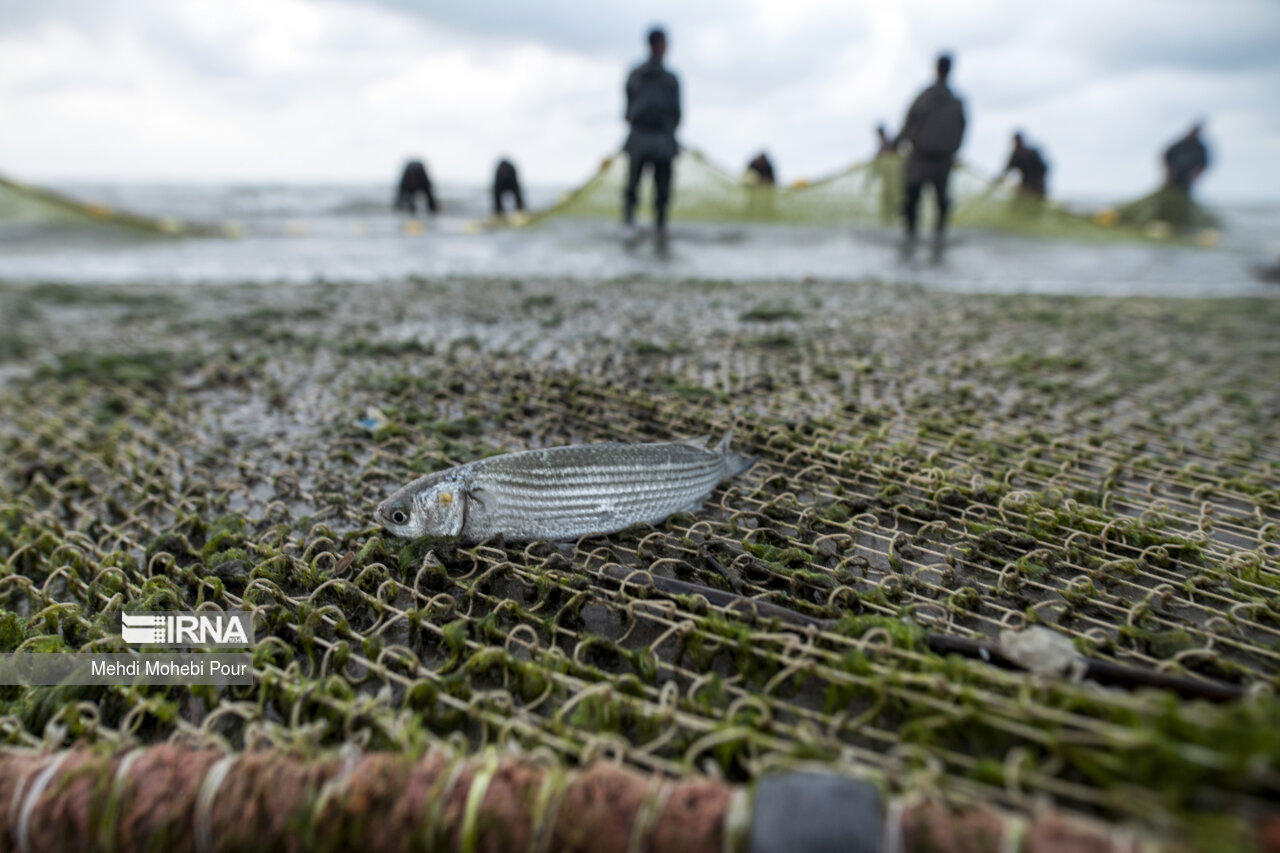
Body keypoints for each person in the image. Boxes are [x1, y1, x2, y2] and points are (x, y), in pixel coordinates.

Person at [895, 53, 966, 248]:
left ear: (936, 68)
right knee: (936, 204)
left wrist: (899, 142)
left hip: (926, 158)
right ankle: (931, 242)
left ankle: (914, 241)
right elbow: (962, 130)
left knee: (917, 201)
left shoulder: (927, 97)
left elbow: (908, 124)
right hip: (937, 159)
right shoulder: (955, 101)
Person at [623, 26, 681, 239]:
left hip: (659, 137)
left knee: (661, 189)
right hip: (643, 136)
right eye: (664, 43)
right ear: (656, 45)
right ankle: (633, 226)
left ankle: (658, 227)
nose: (666, 48)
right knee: (633, 187)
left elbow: (677, 113)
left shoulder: (669, 78)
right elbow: (628, 107)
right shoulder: (639, 75)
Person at [997, 131, 1048, 198]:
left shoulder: (1032, 154)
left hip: (1036, 190)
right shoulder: (1016, 156)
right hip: (1024, 190)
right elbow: (1005, 172)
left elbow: (1043, 169)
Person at [1164, 123, 1209, 193]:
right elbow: (1166, 155)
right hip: (1174, 174)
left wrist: (1195, 173)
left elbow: (1203, 163)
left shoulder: (1200, 148)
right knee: (1168, 191)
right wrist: (1170, 169)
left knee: (1183, 192)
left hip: (1187, 177)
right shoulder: (1180, 143)